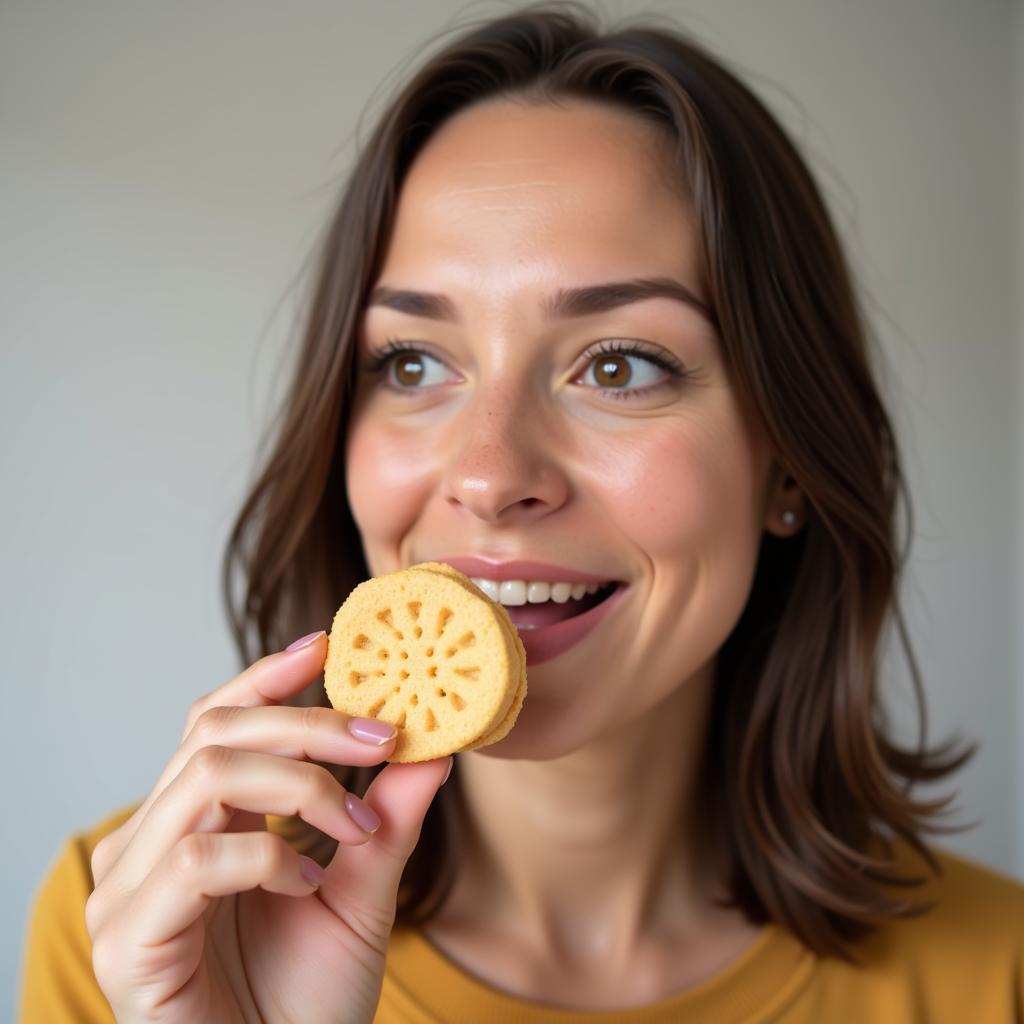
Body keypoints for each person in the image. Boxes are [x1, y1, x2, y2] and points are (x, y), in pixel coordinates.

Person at [19, 4, 1024, 1022]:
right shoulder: (145, 929)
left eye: (619, 364)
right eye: (411, 363)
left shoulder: (996, 974)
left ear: (789, 466)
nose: (492, 474)